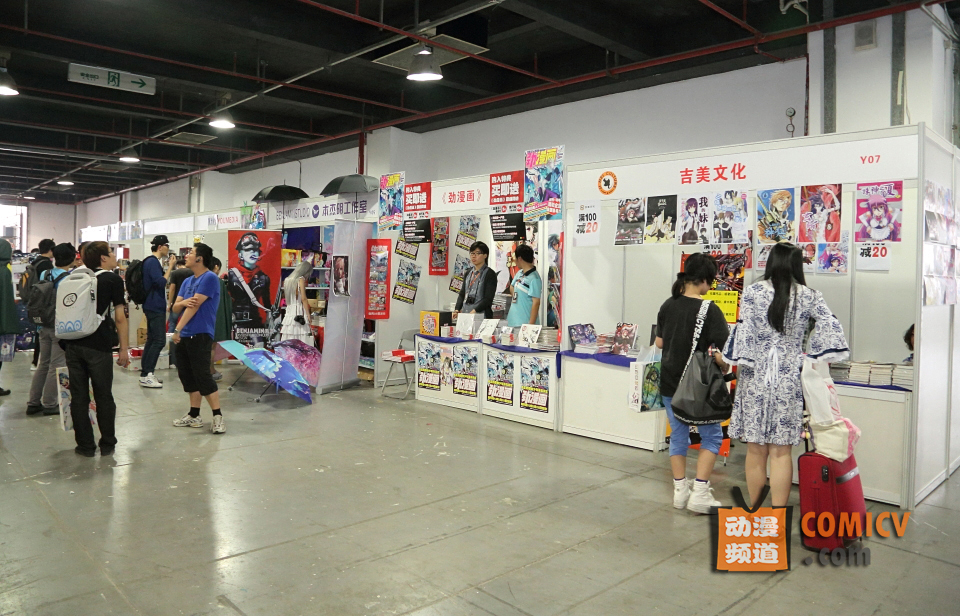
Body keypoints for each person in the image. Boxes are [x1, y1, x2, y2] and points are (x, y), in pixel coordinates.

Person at [723, 243, 849, 508]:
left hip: (755, 377)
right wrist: (812, 354)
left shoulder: (753, 292)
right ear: (796, 265)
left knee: (755, 451)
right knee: (781, 453)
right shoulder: (809, 295)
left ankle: (756, 512)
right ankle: (778, 517)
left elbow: (743, 333)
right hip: (788, 378)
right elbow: (830, 324)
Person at [655, 253, 729, 513]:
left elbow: (659, 343)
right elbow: (725, 352)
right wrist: (719, 359)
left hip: (670, 383)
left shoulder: (668, 305)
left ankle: (679, 492)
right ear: (705, 280)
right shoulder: (710, 310)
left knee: (678, 435)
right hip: (699, 387)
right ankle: (700, 493)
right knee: (712, 436)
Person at [63, 241, 129, 457]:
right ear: (103, 258)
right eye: (111, 252)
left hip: (73, 342)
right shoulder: (112, 279)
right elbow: (120, 318)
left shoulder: (75, 278)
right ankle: (107, 443)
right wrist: (124, 349)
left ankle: (85, 445)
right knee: (103, 395)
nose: (114, 256)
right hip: (98, 345)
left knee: (78, 397)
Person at [171, 243, 224, 434]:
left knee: (202, 376)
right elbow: (175, 307)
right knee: (187, 376)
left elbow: (193, 307)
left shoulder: (209, 278)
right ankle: (194, 414)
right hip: (185, 335)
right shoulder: (187, 281)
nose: (187, 256)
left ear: (200, 258)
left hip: (200, 334)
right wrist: (184, 302)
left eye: (191, 253)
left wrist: (177, 328)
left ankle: (217, 416)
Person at [26, 243, 75, 416]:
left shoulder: (45, 273)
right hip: (58, 326)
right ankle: (49, 403)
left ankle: (33, 402)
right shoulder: (68, 279)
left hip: (43, 324)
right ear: (71, 258)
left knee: (43, 364)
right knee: (57, 365)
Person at [139, 235, 178, 388]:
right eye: (167, 246)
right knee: (159, 340)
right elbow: (160, 282)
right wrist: (170, 267)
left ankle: (146, 373)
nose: (168, 249)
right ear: (160, 247)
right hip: (154, 306)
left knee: (152, 340)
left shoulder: (150, 262)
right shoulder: (152, 262)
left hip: (152, 305)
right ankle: (147, 374)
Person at [228, 232, 272, 331]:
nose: (252, 252)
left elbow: (267, 305)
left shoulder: (264, 278)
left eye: (255, 250)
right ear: (240, 254)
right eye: (247, 250)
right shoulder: (230, 275)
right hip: (235, 324)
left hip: (255, 324)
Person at [30, 239, 55, 371]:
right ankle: (37, 361)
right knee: (43, 333)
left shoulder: (35, 262)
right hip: (43, 302)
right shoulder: (46, 264)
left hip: (35, 300)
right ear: (50, 250)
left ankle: (35, 361)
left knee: (39, 332)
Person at [453, 241, 497, 320]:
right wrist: (457, 309)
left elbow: (488, 298)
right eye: (472, 253)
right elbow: (462, 293)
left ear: (485, 255)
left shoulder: (490, 274)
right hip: (466, 313)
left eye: (477, 253)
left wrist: (475, 310)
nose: (474, 256)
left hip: (481, 315)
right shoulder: (468, 272)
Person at [506, 244, 542, 327]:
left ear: (520, 259)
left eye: (515, 258)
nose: (514, 261)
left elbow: (536, 303)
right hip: (513, 321)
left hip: (525, 322)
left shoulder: (534, 279)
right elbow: (512, 286)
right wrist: (517, 297)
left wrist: (530, 326)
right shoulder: (520, 273)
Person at [280, 259, 313, 344]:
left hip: (289, 311)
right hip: (299, 311)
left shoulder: (287, 280)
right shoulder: (300, 279)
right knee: (301, 335)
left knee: (289, 334)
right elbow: (303, 299)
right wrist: (308, 315)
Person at [209, 258, 232, 381]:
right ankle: (210, 370)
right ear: (216, 267)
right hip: (214, 318)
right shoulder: (218, 282)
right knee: (211, 346)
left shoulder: (197, 279)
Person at [167, 258, 191, 367]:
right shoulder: (191, 272)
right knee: (184, 328)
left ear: (177, 265)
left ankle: (172, 358)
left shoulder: (175, 273)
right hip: (188, 304)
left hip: (177, 304)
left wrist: (170, 304)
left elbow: (172, 289)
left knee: (172, 328)